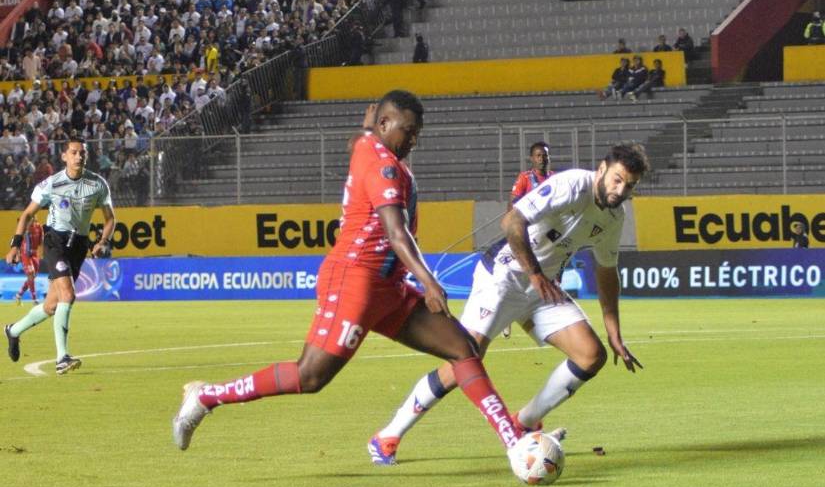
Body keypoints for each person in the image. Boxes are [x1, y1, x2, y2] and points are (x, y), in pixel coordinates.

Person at [172, 90, 523, 467]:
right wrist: (429, 282)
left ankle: (515, 443)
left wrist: (367, 129)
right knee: (310, 376)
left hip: (388, 287)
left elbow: (357, 142)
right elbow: (396, 233)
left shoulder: (370, 146)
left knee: (463, 348)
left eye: (417, 133)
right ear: (385, 124)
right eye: (408, 131)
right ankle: (206, 397)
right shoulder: (384, 165)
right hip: (355, 280)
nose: (413, 140)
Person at [368, 143, 649, 465]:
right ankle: (387, 436)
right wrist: (535, 274)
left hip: (541, 289)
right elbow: (512, 222)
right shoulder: (572, 185)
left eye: (629, 185)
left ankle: (524, 423)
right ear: (602, 169)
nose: (620, 190)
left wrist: (614, 333)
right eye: (617, 180)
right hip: (502, 279)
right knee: (465, 357)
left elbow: (607, 271)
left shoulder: (614, 216)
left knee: (591, 355)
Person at [4, 137, 115, 375]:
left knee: (52, 305)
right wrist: (15, 245)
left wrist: (102, 242)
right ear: (64, 156)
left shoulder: (97, 184)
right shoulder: (51, 184)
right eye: (74, 152)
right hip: (55, 241)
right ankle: (62, 358)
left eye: (82, 153)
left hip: (79, 245)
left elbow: (110, 219)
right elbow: (27, 215)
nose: (79, 156)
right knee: (68, 294)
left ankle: (13, 331)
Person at [501, 141, 553, 338]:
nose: (542, 159)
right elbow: (513, 205)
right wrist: (513, 230)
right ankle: (506, 317)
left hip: (546, 235)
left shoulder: (555, 179)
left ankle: (542, 317)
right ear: (532, 158)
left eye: (545, 155)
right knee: (517, 274)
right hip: (526, 235)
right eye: (539, 155)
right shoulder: (525, 178)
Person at [13, 214, 44, 305]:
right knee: (31, 274)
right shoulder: (24, 228)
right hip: (25, 254)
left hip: (35, 254)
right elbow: (17, 240)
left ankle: (18, 295)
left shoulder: (39, 227)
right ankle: (34, 299)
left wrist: (42, 252)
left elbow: (41, 241)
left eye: (32, 217)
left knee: (32, 277)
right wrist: (17, 254)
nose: (32, 218)